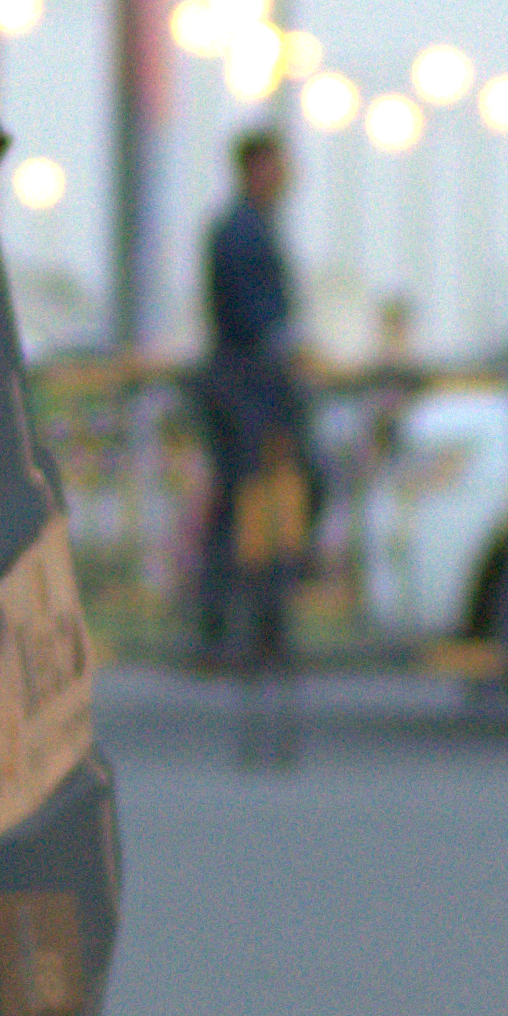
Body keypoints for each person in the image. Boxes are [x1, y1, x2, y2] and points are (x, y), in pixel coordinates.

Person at [190, 127, 307, 660]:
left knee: (246, 502)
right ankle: (238, 625)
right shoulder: (242, 231)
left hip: (245, 385)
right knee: (248, 502)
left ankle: (235, 623)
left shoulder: (247, 226)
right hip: (247, 389)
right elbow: (252, 316)